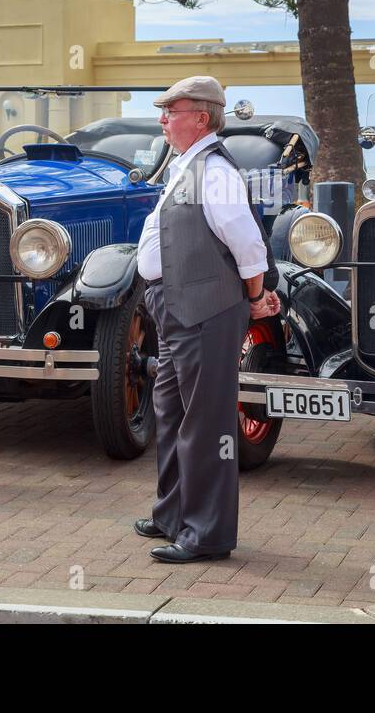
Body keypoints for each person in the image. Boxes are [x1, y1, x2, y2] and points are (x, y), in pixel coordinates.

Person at [133, 75, 281, 564]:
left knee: (208, 421)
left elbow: (246, 241)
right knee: (171, 411)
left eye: (170, 111)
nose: (162, 120)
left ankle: (208, 534)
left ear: (200, 116)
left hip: (206, 310)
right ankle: (173, 514)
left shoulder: (213, 170)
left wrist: (256, 297)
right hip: (176, 306)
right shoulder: (189, 165)